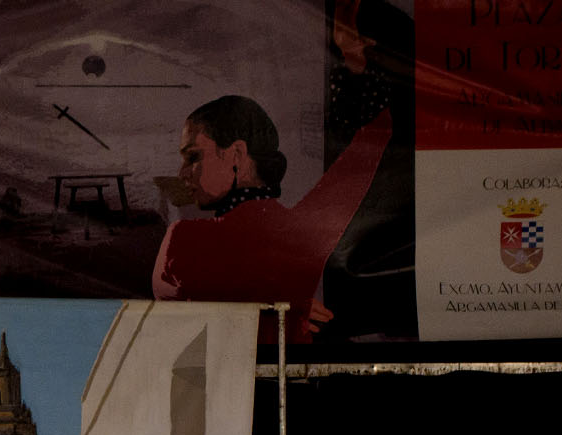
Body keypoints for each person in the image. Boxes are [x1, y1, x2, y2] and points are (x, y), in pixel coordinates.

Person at [151, 2, 394, 343]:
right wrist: (353, 59)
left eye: (193, 157)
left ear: (236, 153)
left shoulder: (183, 240)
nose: (183, 172)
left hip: (217, 391)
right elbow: (373, 138)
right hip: (288, 392)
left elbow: (170, 329)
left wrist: (275, 308)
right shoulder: (304, 231)